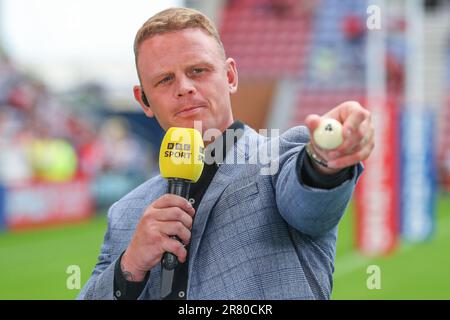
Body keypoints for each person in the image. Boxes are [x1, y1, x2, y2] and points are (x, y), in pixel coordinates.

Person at [78, 7, 374, 300]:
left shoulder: (279, 157)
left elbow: (310, 202)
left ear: (230, 76)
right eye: (165, 80)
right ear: (143, 100)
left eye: (198, 71)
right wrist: (130, 266)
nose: (184, 88)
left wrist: (324, 162)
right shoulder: (125, 213)